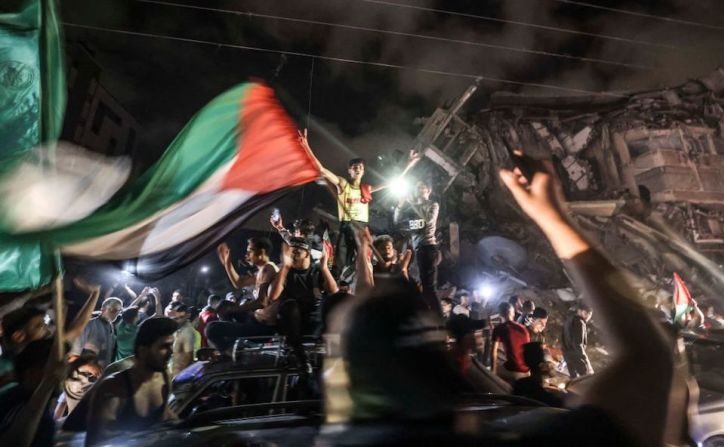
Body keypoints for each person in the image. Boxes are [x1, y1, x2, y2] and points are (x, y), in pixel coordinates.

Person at [86, 317, 178, 446]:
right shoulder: (113, 388)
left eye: (171, 345)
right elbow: (96, 441)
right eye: (164, 346)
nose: (171, 352)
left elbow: (162, 416)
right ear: (143, 350)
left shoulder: (164, 376)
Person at [268, 237, 337, 368]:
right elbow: (273, 296)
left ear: (307, 253)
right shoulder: (286, 272)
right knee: (290, 306)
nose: (292, 255)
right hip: (293, 323)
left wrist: (324, 268)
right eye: (290, 252)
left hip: (314, 319)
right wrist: (285, 267)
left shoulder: (316, 270)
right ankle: (300, 356)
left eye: (296, 252)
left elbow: (334, 291)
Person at [0, 339, 69, 447]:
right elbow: (15, 443)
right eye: (56, 368)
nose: (63, 373)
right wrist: (48, 382)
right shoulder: (17, 403)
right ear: (31, 374)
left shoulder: (42, 408)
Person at [393, 179, 441, 313]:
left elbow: (428, 220)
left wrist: (413, 204)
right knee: (423, 285)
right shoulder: (410, 208)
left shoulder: (432, 205)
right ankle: (429, 315)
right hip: (418, 248)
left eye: (422, 187)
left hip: (429, 247)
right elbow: (397, 221)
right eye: (417, 188)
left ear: (428, 190)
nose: (419, 190)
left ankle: (439, 319)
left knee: (429, 287)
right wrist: (401, 205)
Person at [217, 237, 278, 312]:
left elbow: (262, 302)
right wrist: (227, 265)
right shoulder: (263, 271)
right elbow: (239, 283)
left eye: (250, 251)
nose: (247, 255)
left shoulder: (267, 269)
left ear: (262, 252)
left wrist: (232, 309)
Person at [70, 297, 122, 371]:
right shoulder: (88, 325)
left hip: (99, 378)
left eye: (117, 310)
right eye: (112, 309)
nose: (114, 313)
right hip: (82, 378)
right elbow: (72, 356)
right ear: (103, 309)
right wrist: (89, 366)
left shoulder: (111, 330)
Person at [513, 342, 566, 407]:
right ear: (542, 365)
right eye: (544, 351)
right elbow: (558, 404)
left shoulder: (519, 384)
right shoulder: (546, 396)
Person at [490, 301, 530, 384]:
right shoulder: (523, 328)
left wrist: (492, 373)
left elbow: (493, 353)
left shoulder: (499, 328)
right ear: (513, 313)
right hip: (527, 371)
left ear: (500, 314)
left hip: (515, 372)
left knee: (495, 370)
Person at [561, 302, 593, 379]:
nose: (589, 317)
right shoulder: (580, 322)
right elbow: (578, 344)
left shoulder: (568, 320)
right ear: (582, 311)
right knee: (587, 380)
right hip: (577, 358)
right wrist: (586, 361)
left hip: (568, 356)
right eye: (589, 314)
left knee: (574, 381)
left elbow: (562, 339)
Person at [167, 303, 196, 378]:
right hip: (174, 375)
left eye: (182, 317)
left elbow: (189, 358)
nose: (179, 320)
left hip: (181, 377)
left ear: (188, 315)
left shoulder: (187, 333)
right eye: (176, 318)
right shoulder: (177, 330)